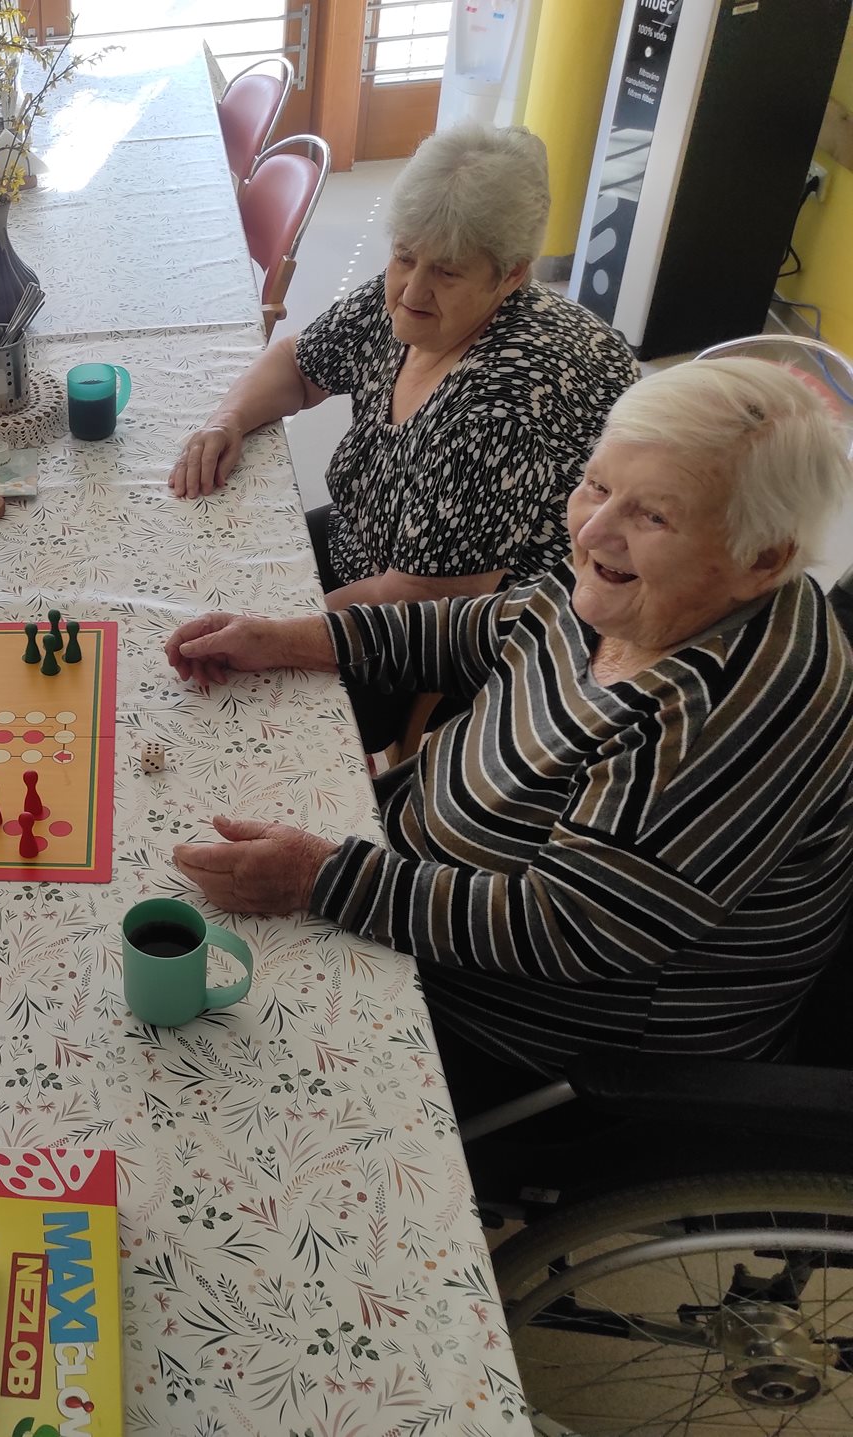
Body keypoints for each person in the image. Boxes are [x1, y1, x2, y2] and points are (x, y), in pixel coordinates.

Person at [164, 361, 853, 1116]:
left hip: (542, 1042)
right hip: (423, 889)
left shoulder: (713, 714)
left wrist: (317, 877)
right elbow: (488, 628)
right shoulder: (649, 587)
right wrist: (290, 638)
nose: (593, 531)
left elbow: (567, 929)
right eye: (596, 485)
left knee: (200, 1072)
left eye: (653, 517)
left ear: (763, 558)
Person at [171, 125, 638, 747]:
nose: (413, 290)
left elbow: (423, 598)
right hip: (370, 546)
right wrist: (225, 420)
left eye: (447, 272)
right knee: (194, 570)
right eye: (404, 257)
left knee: (228, 720)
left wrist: (276, 633)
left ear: (510, 277)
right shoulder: (411, 300)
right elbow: (299, 365)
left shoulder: (499, 409)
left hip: (459, 635)